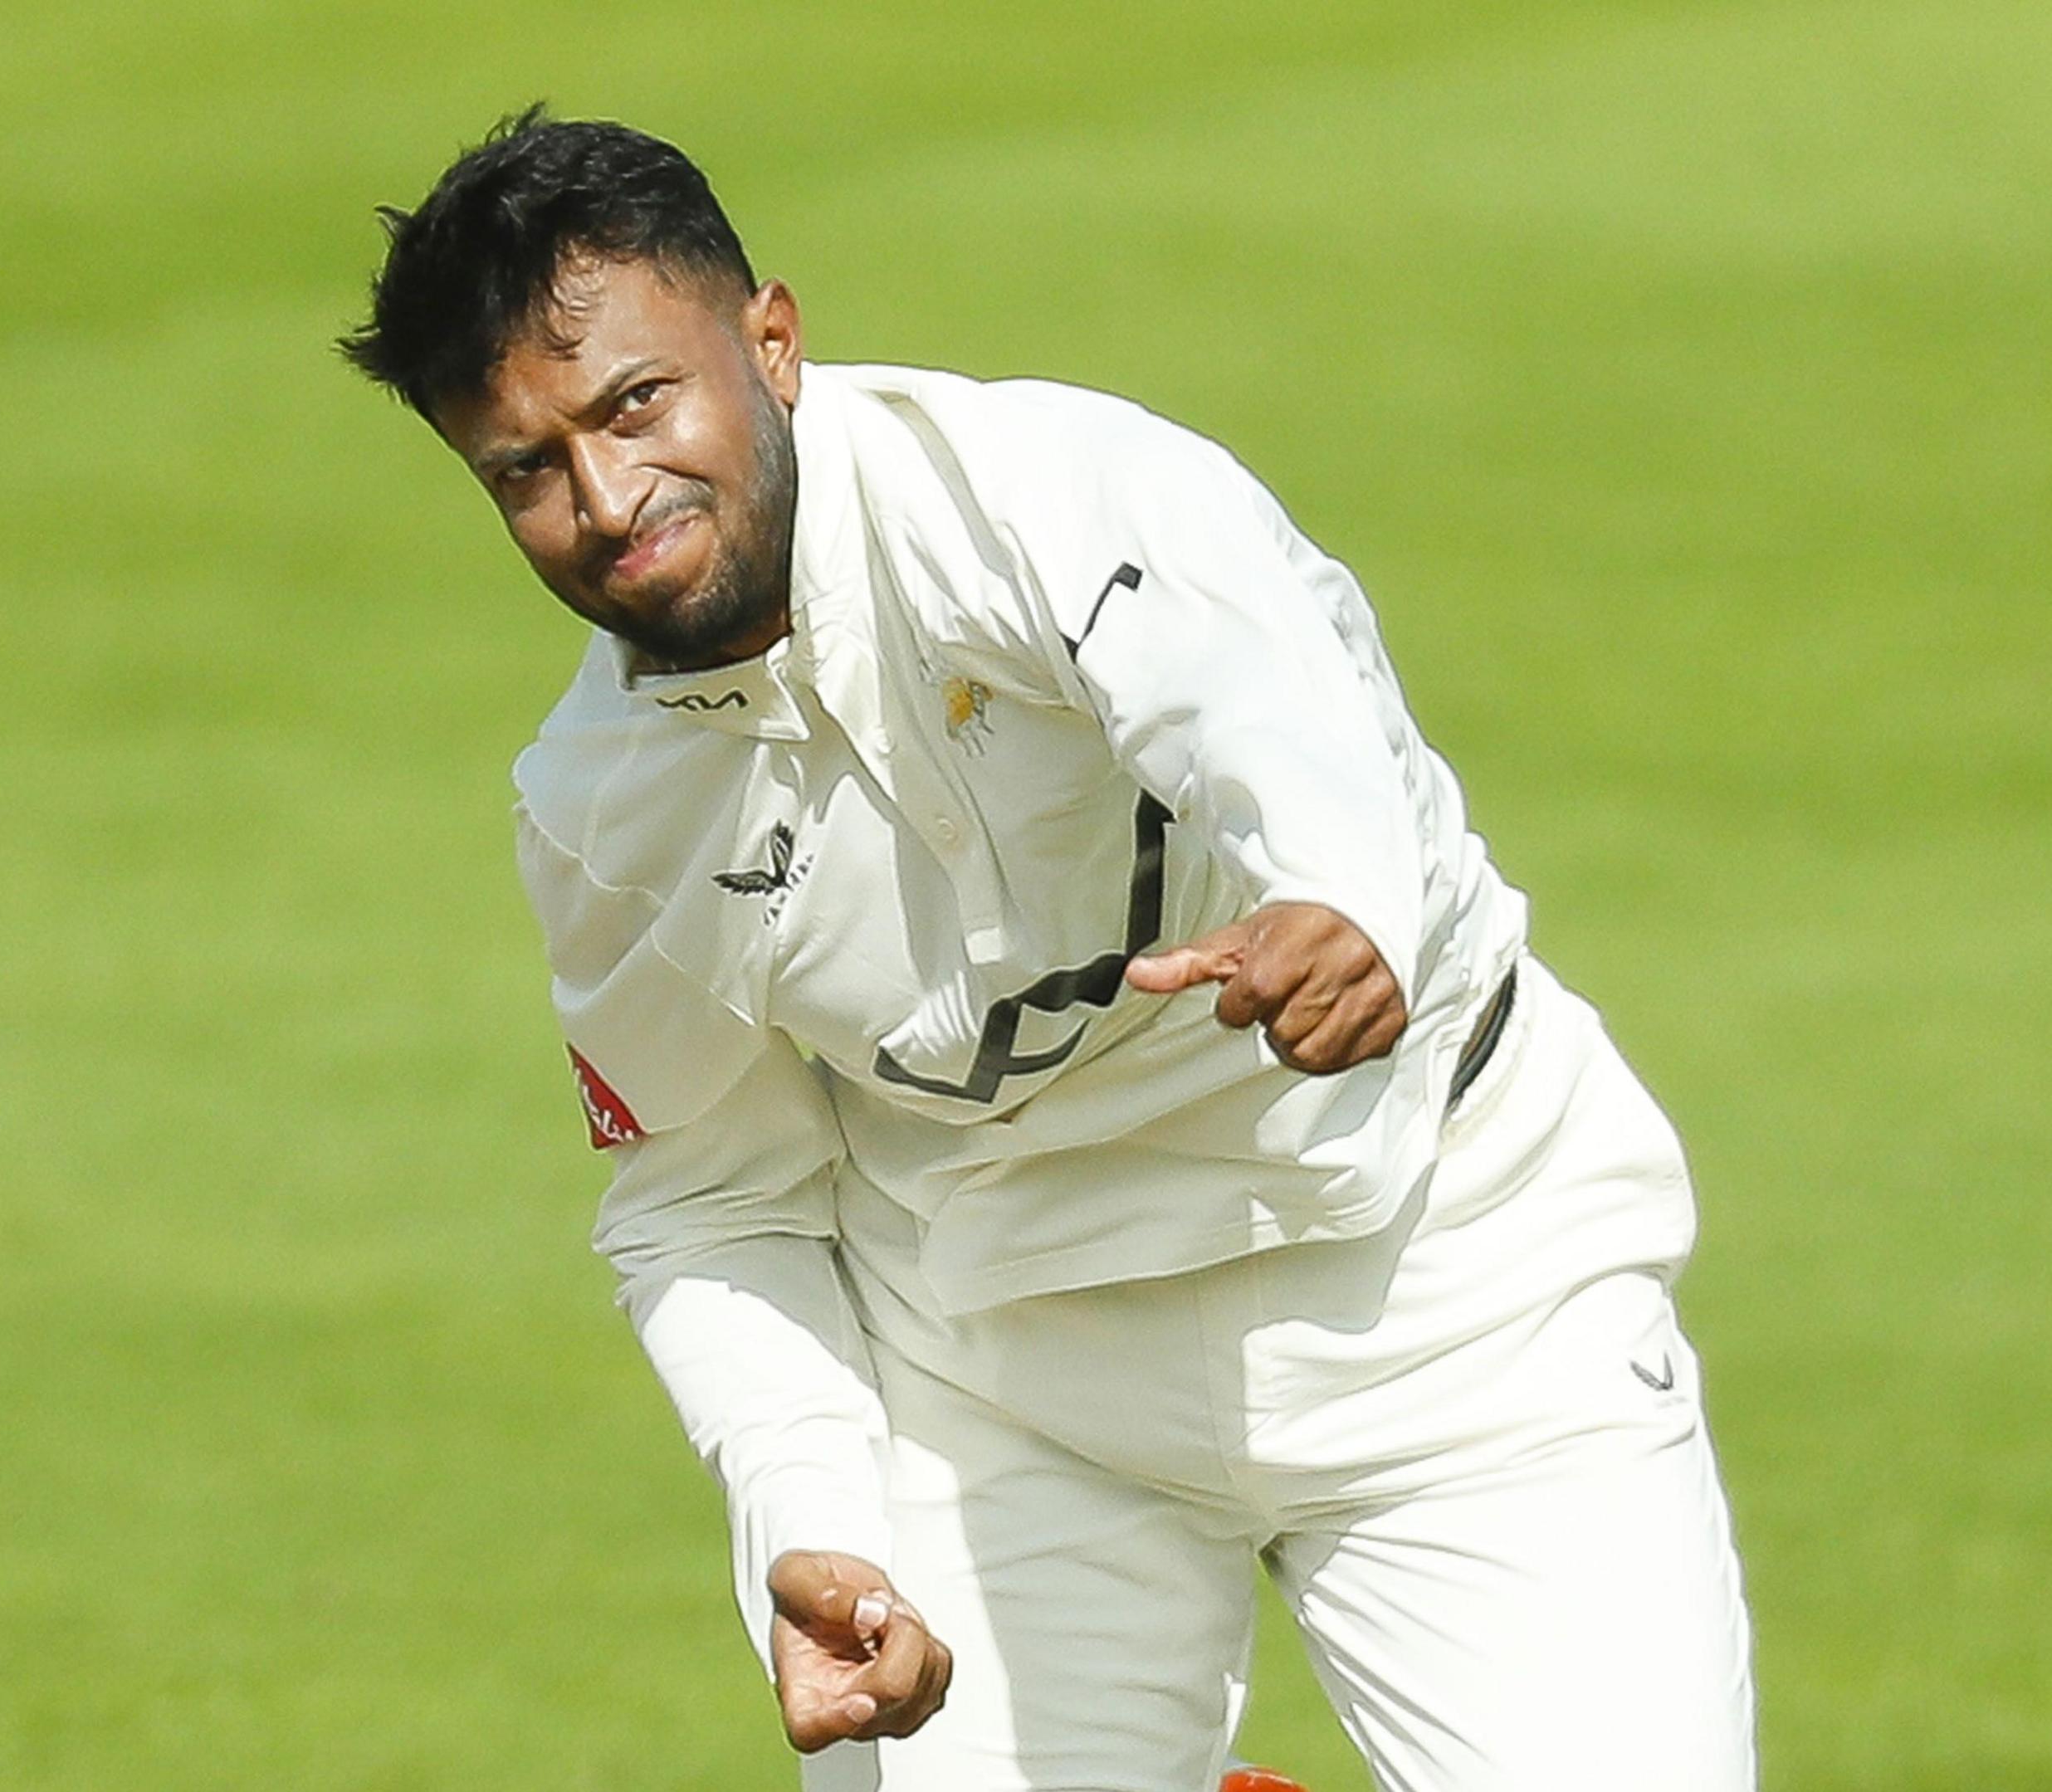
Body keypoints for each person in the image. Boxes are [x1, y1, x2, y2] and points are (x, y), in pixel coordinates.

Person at [340, 108, 1758, 1792]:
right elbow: (707, 1195)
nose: (606, 496)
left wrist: (1347, 902)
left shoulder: (1052, 496)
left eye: (635, 403)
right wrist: (813, 1518)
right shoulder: (599, 808)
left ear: (772, 341)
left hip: (1446, 1299)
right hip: (1014, 1390)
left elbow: (1271, 710)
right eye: (524, 468)